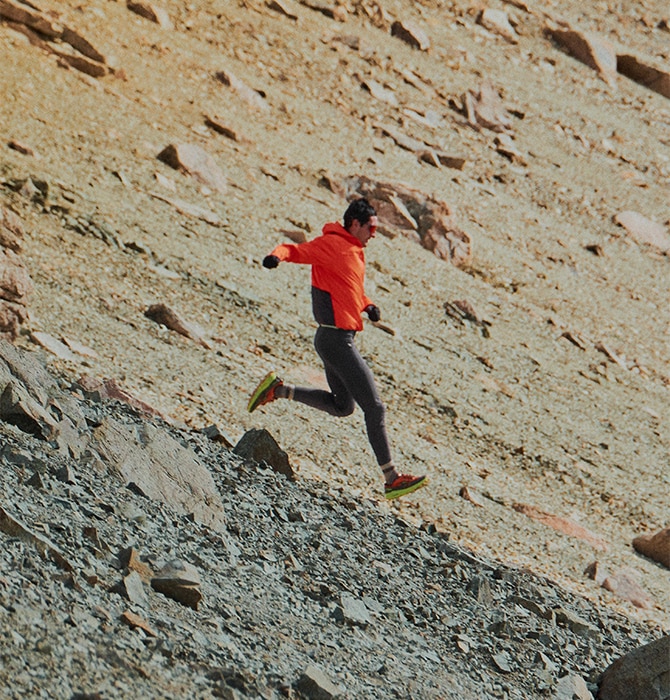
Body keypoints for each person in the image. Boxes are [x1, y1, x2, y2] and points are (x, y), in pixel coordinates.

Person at [247, 197, 426, 500]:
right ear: (354, 224)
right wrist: (275, 257)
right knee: (376, 407)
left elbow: (348, 289)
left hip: (336, 339)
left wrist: (367, 306)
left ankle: (277, 390)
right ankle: (391, 478)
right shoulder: (331, 244)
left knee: (343, 407)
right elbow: (294, 250)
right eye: (371, 226)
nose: (375, 233)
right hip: (335, 340)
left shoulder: (354, 251)